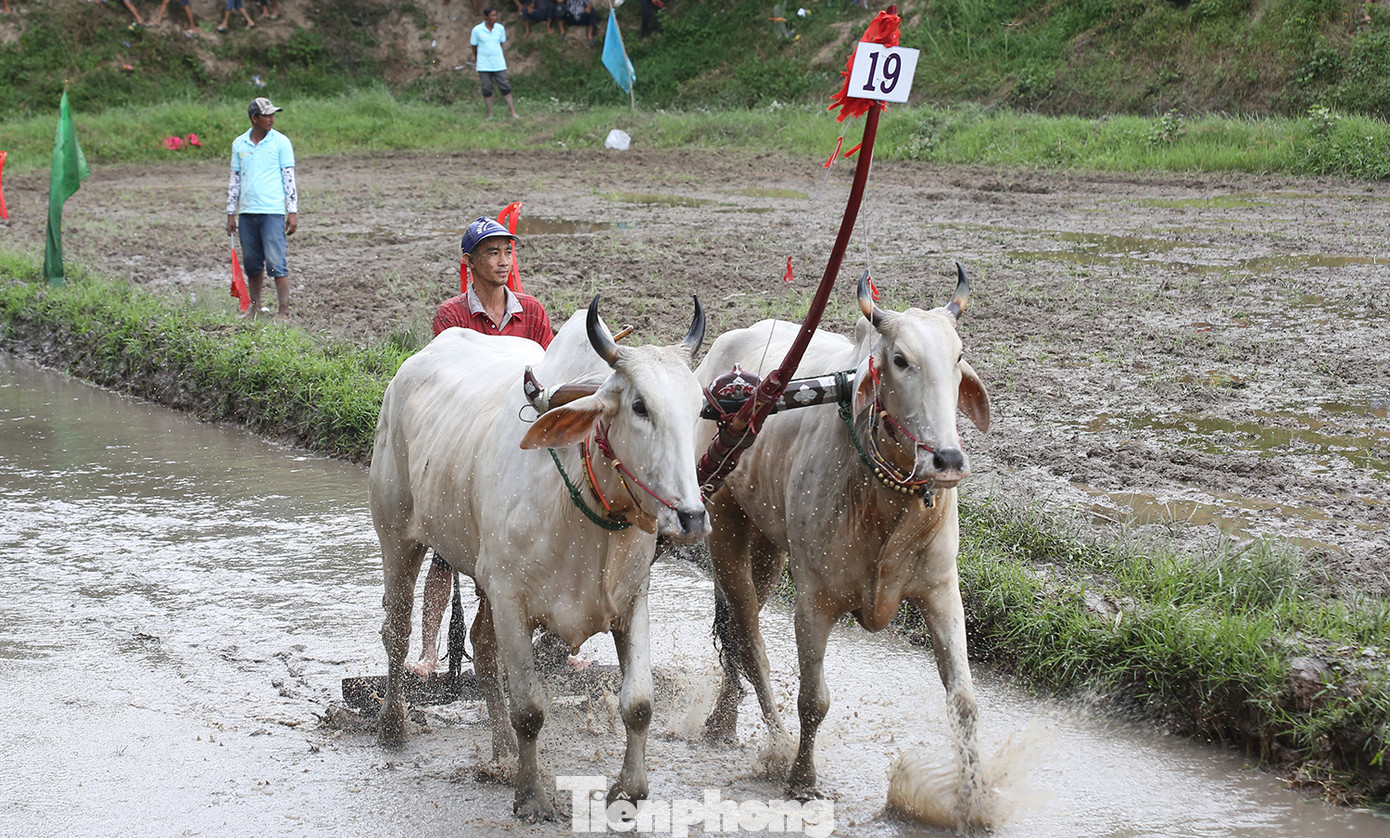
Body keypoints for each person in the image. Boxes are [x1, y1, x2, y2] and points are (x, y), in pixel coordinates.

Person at [406, 216, 555, 681]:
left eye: (507, 252)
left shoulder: (531, 312)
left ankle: (554, 644)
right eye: (491, 253)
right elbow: (448, 379)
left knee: (540, 545)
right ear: (469, 262)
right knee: (445, 552)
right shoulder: (451, 316)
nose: (502, 261)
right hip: (473, 441)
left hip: (523, 444)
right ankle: (428, 652)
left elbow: (550, 375)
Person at [225, 97, 297, 319]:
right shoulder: (239, 144)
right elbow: (235, 180)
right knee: (252, 263)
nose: (272, 119)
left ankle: (283, 311)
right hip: (247, 213)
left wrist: (291, 211)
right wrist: (230, 212)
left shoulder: (281, 143)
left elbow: (288, 178)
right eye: (267, 115)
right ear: (254, 118)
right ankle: (254, 308)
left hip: (272, 212)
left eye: (273, 115)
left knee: (276, 262)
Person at [470, 6, 518, 119]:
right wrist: (478, 58)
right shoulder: (477, 30)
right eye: (492, 15)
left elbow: (500, 44)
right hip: (484, 65)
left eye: (496, 15)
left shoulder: (500, 28)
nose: (494, 18)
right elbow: (474, 46)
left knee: (505, 87)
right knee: (486, 89)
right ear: (485, 17)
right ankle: (490, 114)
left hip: (498, 63)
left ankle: (512, 112)